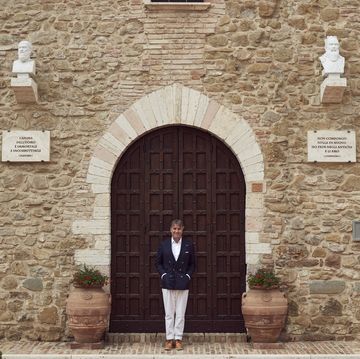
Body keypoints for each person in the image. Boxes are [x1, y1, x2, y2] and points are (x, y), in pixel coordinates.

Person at [155, 219, 196, 351]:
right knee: (168, 313)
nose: (176, 231)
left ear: (182, 229)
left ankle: (178, 339)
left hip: (183, 282)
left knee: (180, 313)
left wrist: (188, 276)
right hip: (168, 282)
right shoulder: (164, 244)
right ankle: (169, 339)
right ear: (170, 230)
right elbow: (158, 263)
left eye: (179, 229)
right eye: (174, 229)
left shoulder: (189, 245)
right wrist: (163, 275)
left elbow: (192, 264)